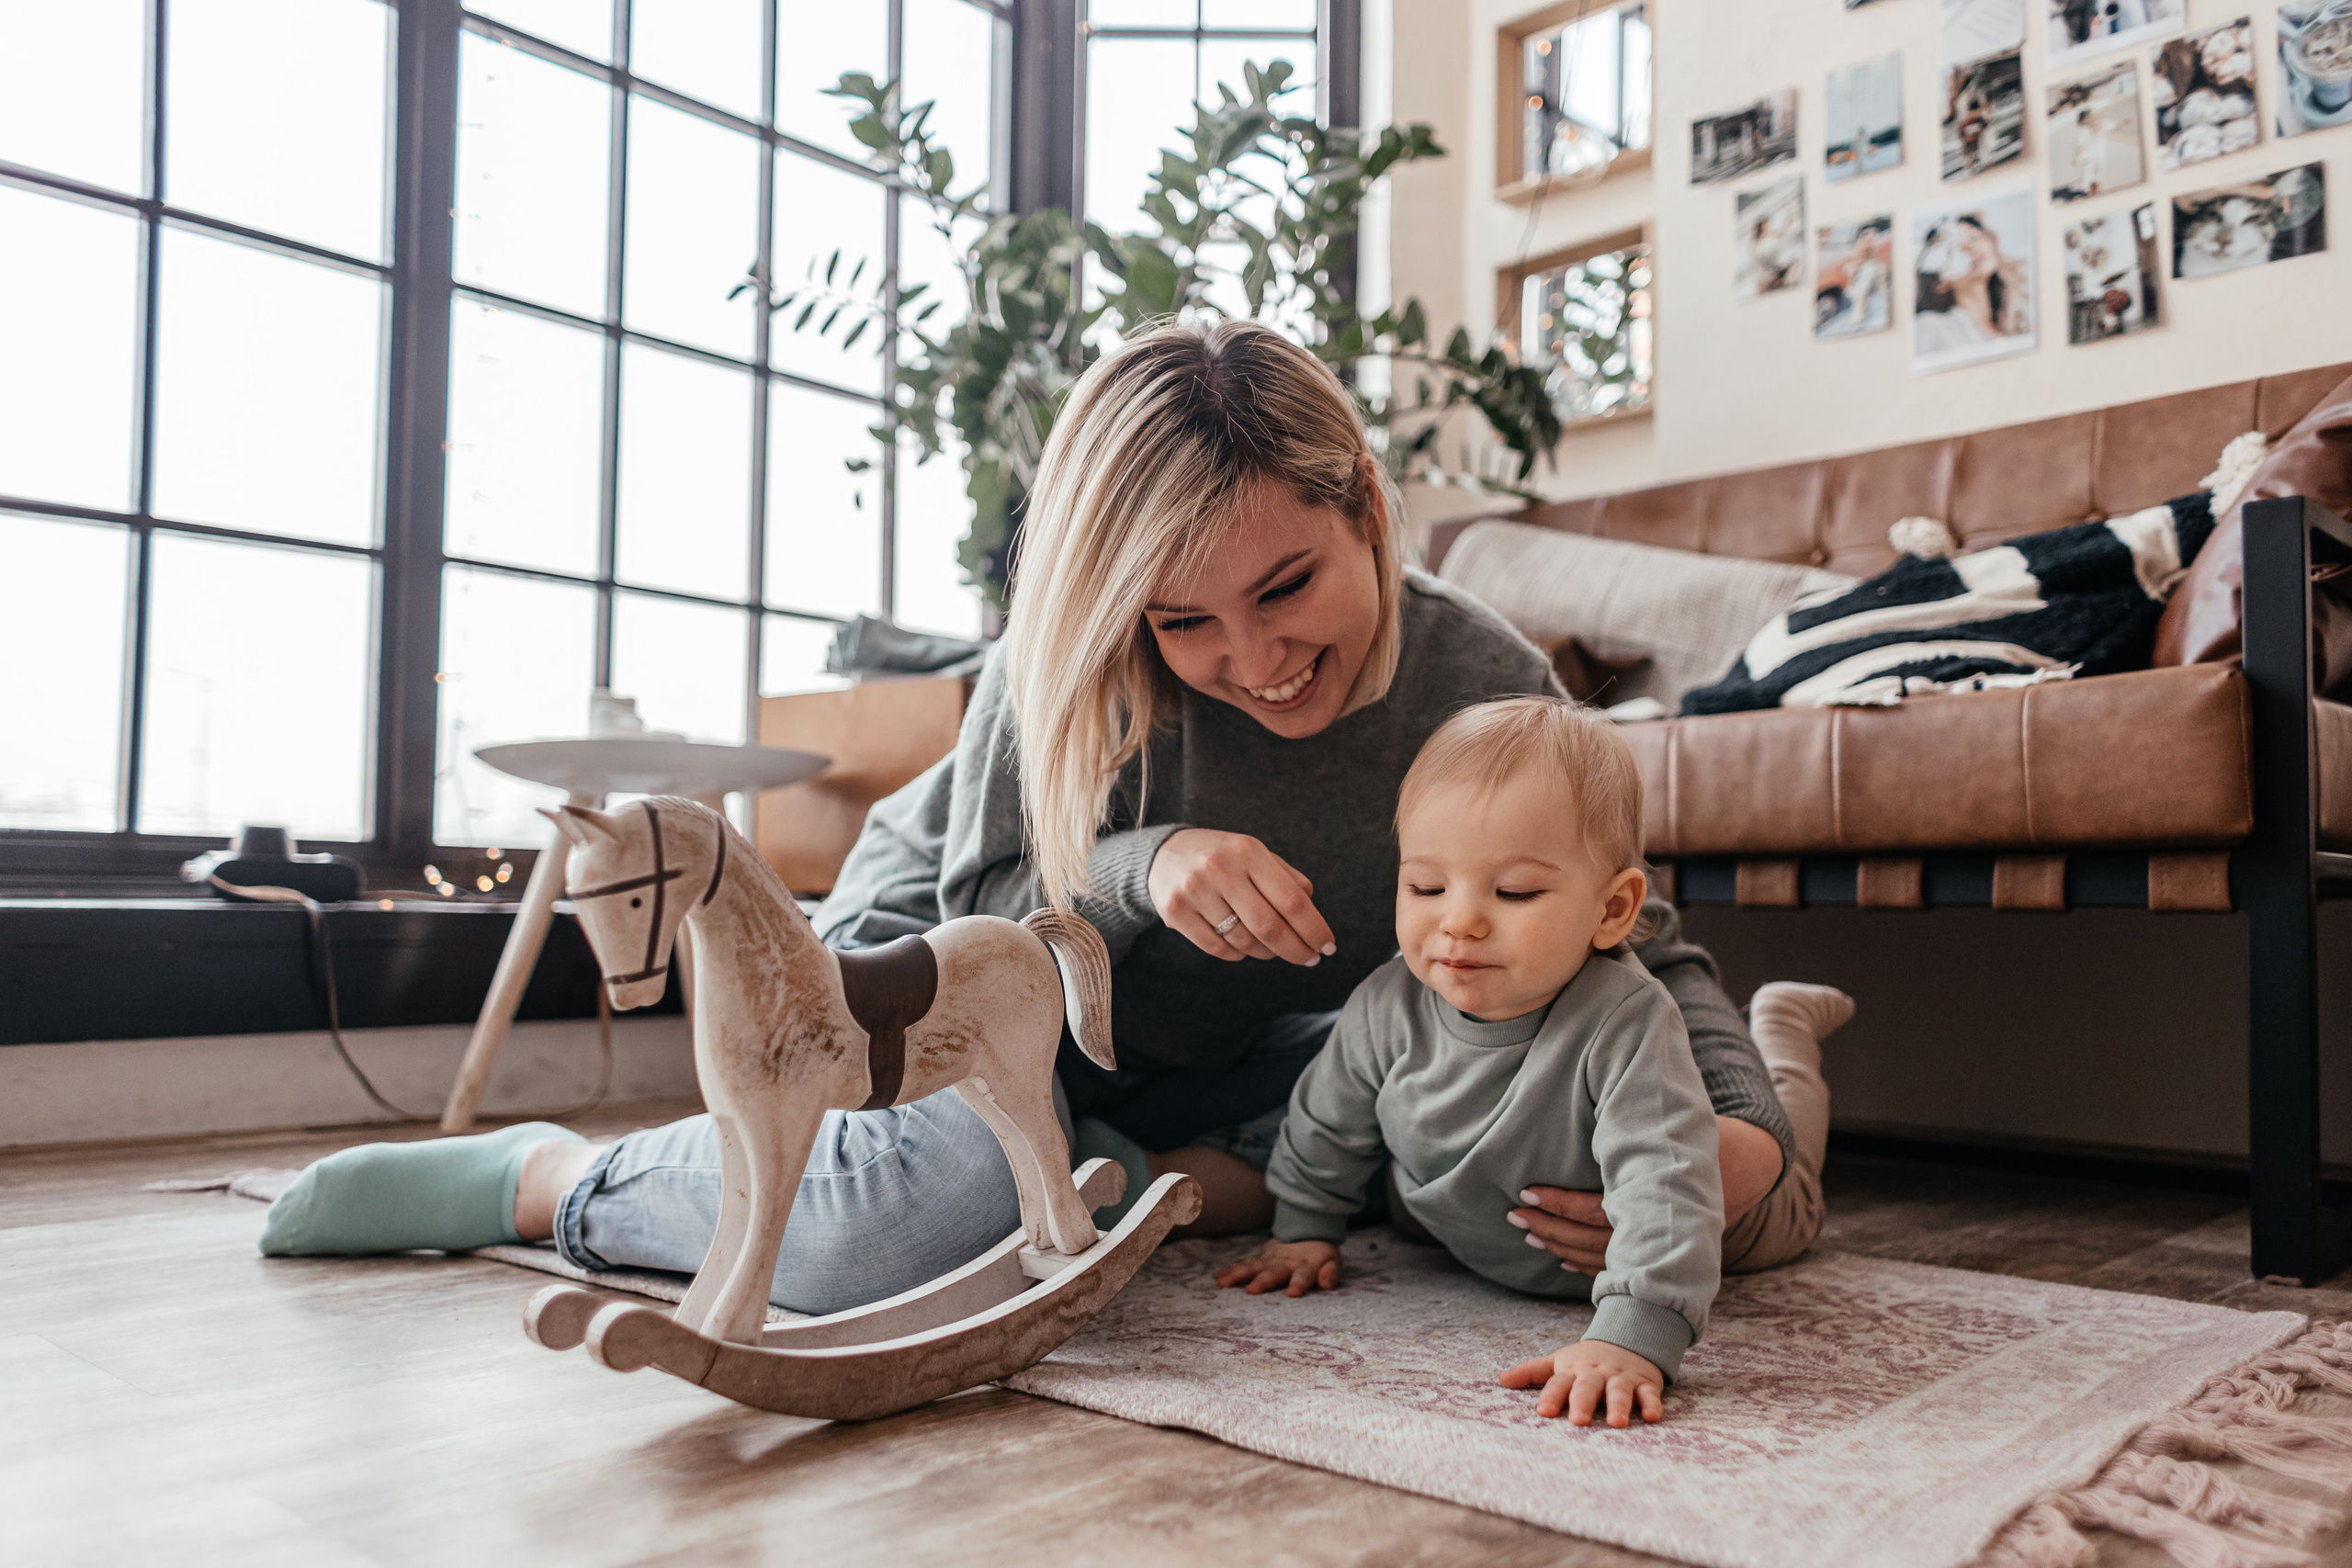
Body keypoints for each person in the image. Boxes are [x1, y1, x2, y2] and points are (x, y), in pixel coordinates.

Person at [259, 320, 1834, 1319]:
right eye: (1186, 624)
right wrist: (1147, 869)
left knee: (1481, 1118)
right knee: (885, 1235)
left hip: (1259, 1063)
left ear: (1362, 493)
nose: (1256, 661)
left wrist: (1748, 1143)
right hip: (960, 1007)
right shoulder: (1060, 668)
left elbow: (1635, 947)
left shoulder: (1484, 677)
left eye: (1288, 587)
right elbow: (979, 917)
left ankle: (1121, 1167)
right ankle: (550, 1181)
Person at [1217, 700, 1851, 1430]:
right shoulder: (1385, 1005)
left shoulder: (1625, 1018)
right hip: (1513, 1244)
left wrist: (1633, 1334)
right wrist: (1304, 1225)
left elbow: (1667, 1187)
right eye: (1427, 886)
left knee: (1795, 1177)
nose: (1459, 920)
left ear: (1612, 909)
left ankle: (1784, 1030)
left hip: (1729, 1224)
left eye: (1513, 891)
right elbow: (1327, 1120)